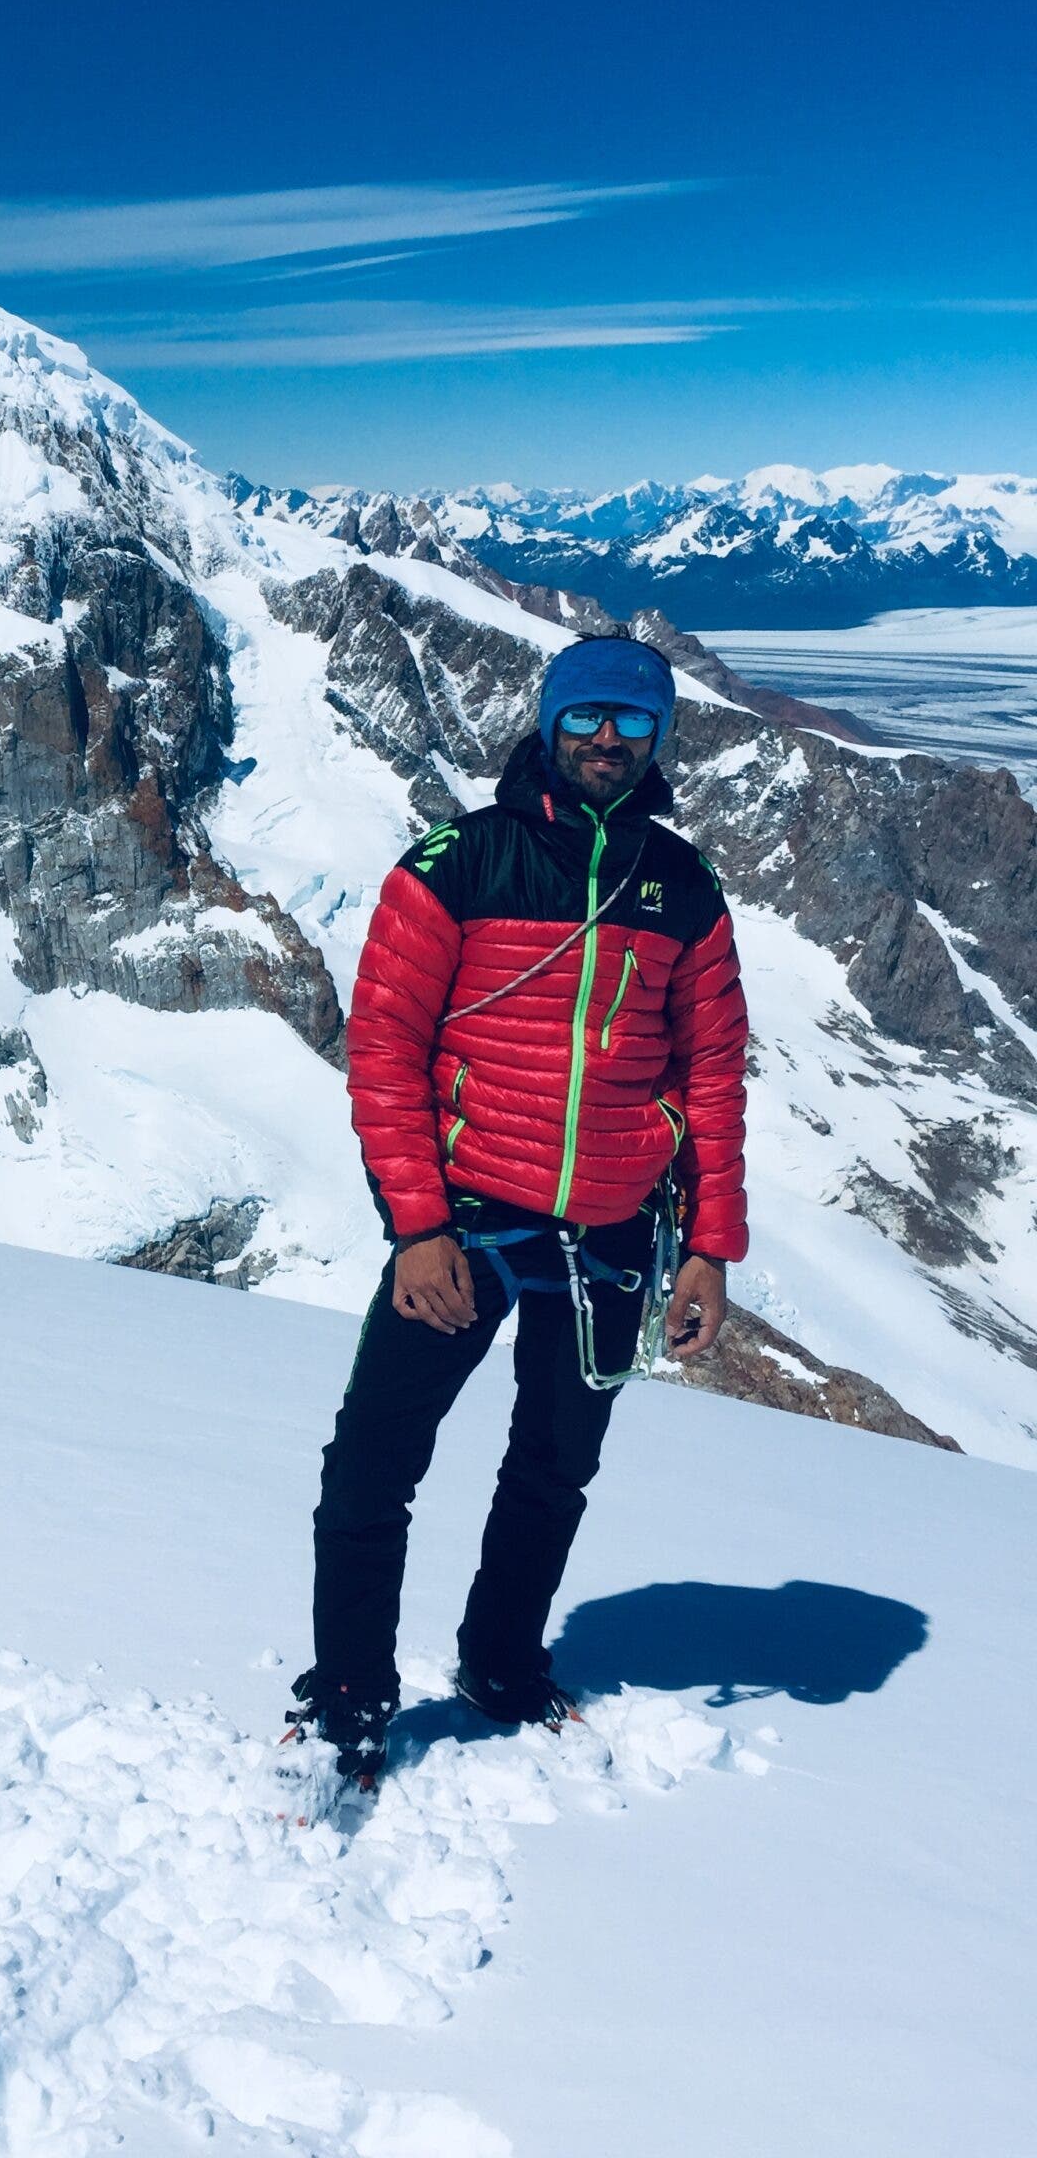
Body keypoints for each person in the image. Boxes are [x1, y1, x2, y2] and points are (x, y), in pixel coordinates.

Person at [288, 630, 748, 1784]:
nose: (607, 740)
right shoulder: (460, 861)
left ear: (658, 739)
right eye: (587, 716)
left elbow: (711, 1075)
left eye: (633, 723)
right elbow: (383, 1048)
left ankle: (500, 1661)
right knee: (373, 1466)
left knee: (552, 1468)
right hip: (469, 1226)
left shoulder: (683, 889)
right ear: (547, 723)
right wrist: (419, 1229)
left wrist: (709, 1247)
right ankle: (347, 1693)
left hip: (609, 1239)